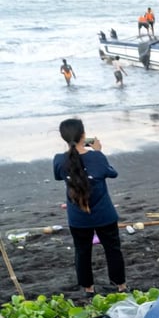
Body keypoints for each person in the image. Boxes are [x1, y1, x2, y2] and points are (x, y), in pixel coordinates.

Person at [53, 119, 127, 296]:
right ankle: (121, 286)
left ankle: (88, 288)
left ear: (64, 138)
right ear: (83, 135)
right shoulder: (97, 157)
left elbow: (58, 175)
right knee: (112, 249)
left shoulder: (59, 160)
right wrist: (98, 151)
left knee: (82, 251)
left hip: (78, 216)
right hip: (103, 214)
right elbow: (112, 172)